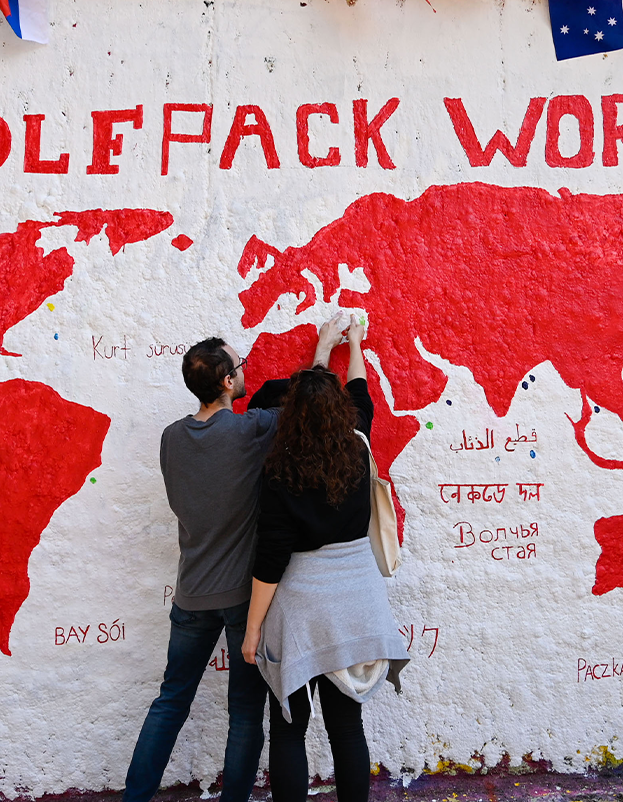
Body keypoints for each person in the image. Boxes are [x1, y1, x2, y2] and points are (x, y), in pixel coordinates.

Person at [241, 313, 409, 802]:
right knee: (346, 725)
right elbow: (360, 395)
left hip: (300, 607)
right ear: (340, 413)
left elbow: (270, 561)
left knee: (290, 728)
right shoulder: (358, 447)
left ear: (288, 415)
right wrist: (353, 344)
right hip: (356, 600)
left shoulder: (279, 468)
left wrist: (253, 632)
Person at [122, 337, 286, 802]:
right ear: (229, 381)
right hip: (241, 597)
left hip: (190, 595)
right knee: (245, 713)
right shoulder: (248, 430)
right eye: (241, 364)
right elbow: (303, 403)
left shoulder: (171, 436)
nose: (245, 369)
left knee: (170, 702)